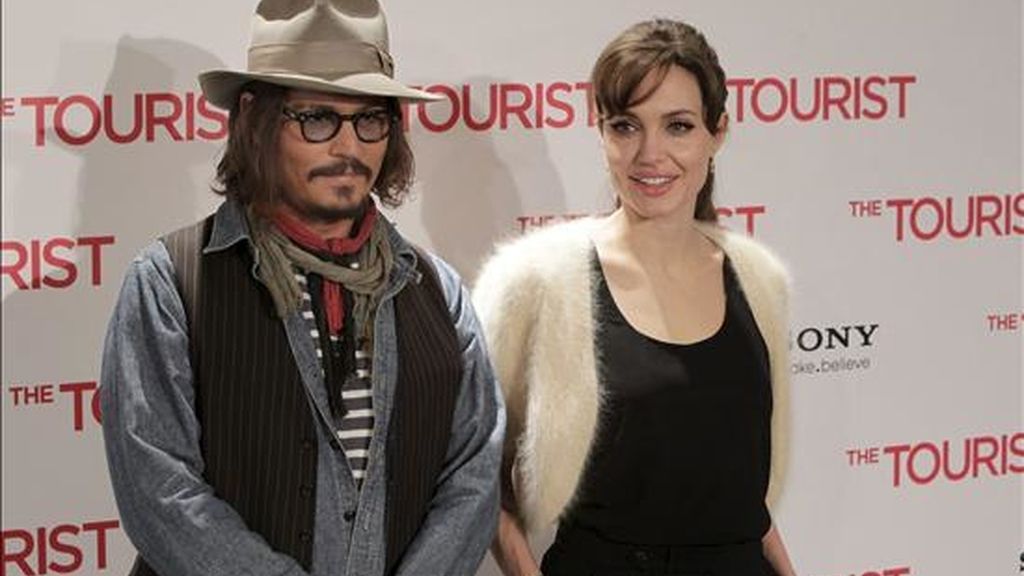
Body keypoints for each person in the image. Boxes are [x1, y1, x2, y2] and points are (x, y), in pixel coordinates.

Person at [99, 1, 504, 575]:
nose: (349, 148)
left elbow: (474, 476)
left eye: (370, 119)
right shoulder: (170, 283)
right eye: (317, 118)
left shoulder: (437, 291)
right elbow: (160, 495)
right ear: (253, 119)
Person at [475, 19, 797, 576]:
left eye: (678, 126)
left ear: (717, 132)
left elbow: (742, 495)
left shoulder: (757, 279)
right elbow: (478, 472)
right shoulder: (539, 281)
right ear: (601, 132)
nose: (651, 153)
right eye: (625, 126)